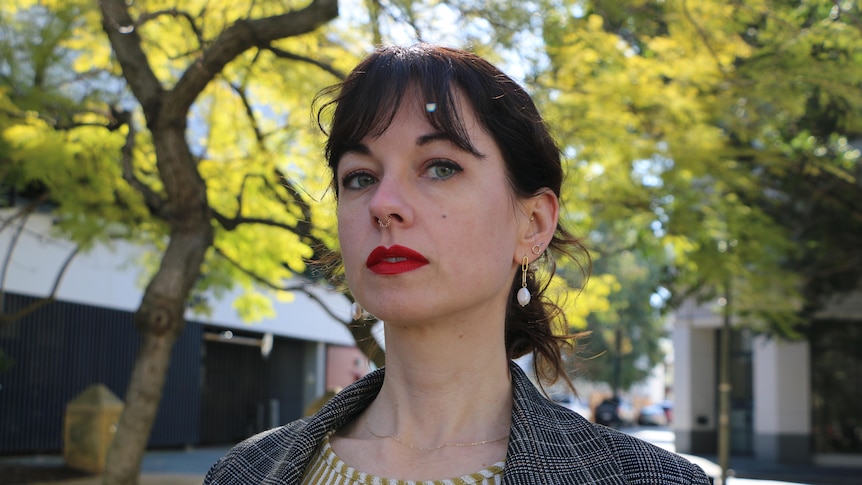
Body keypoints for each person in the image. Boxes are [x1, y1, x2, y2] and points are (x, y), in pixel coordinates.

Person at [204, 43, 710, 485]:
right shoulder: (243, 472)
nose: (384, 203)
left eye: (440, 167)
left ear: (532, 224)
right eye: (359, 177)